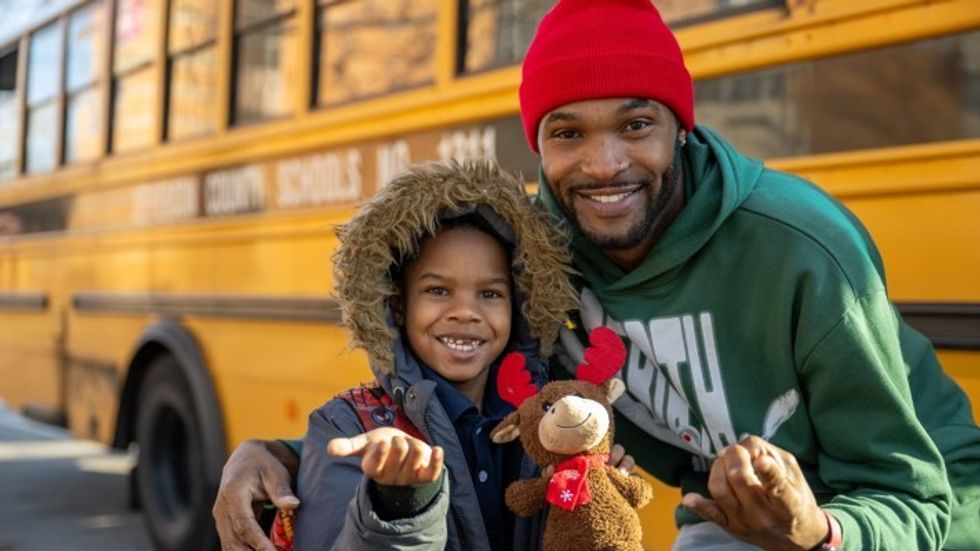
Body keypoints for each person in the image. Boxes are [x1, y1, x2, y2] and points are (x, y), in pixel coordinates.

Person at [214, 1, 980, 550]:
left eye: (636, 124)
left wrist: (819, 532)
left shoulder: (805, 250)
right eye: (568, 133)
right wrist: (287, 453)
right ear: (537, 149)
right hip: (727, 519)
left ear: (680, 127)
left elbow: (916, 490)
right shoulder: (539, 258)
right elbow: (487, 408)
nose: (605, 164)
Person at [245, 158, 599, 551]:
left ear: (520, 308)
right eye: (438, 291)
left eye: (490, 294)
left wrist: (593, 495)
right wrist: (397, 505)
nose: (465, 311)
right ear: (397, 305)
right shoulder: (348, 426)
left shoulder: (553, 419)